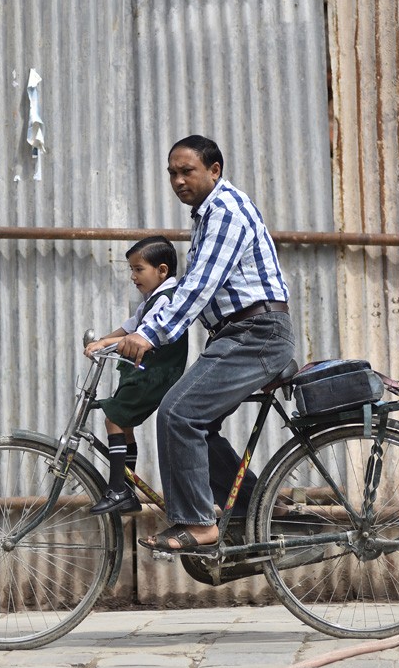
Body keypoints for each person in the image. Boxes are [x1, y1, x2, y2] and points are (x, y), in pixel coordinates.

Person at [117, 134, 295, 553]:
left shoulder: (226, 212)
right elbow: (182, 291)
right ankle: (255, 502)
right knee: (195, 420)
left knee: (179, 414)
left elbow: (199, 287)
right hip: (241, 334)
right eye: (172, 174)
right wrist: (132, 330)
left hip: (258, 334)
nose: (178, 180)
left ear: (214, 171)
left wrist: (152, 334)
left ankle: (197, 523)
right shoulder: (206, 215)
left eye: (187, 171)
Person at [84, 236, 190, 514]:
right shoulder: (151, 300)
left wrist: (106, 344)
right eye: (131, 270)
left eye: (138, 269)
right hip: (143, 371)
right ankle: (126, 490)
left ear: (162, 270)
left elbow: (138, 335)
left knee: (114, 419)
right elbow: (129, 328)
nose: (133, 276)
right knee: (124, 425)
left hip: (155, 373)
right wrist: (101, 341)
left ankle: (118, 489)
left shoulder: (167, 300)